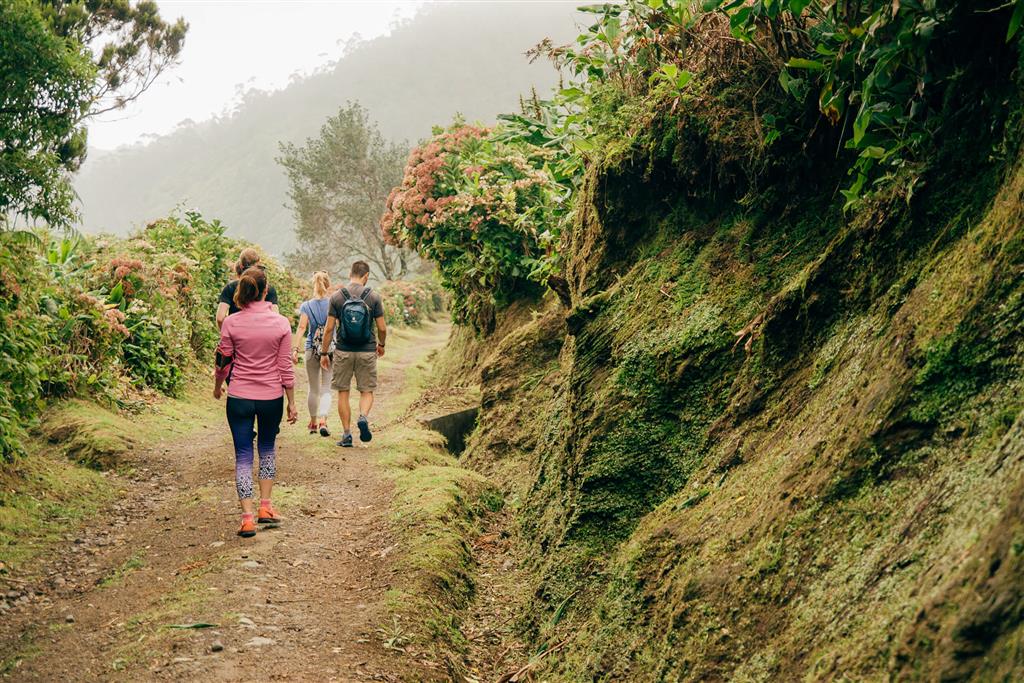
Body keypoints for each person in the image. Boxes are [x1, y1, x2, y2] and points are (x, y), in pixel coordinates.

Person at [214, 266, 298, 538]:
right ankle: (266, 507)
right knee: (267, 449)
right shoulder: (281, 323)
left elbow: (223, 361)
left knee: (243, 455)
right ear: (265, 291)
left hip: (239, 396)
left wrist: (217, 386)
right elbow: (285, 366)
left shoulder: (231, 322)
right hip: (271, 397)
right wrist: (291, 401)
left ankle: (247, 519)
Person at [319, 261, 386, 448]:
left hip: (343, 350)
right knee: (366, 390)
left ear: (350, 274)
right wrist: (381, 344)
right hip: (367, 351)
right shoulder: (373, 296)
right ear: (366, 276)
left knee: (343, 392)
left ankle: (347, 435)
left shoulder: (337, 297)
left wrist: (324, 352)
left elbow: (329, 329)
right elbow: (382, 327)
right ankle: (363, 417)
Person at [292, 271, 334, 437]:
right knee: (326, 387)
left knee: (313, 388)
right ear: (328, 285)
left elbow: (302, 328)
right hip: (329, 350)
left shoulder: (306, 306)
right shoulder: (333, 304)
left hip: (310, 349)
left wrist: (295, 349)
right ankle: (323, 420)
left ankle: (313, 422)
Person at [217, 247, 279, 329]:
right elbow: (276, 318)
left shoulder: (230, 287)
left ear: (241, 265)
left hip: (237, 332)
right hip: (261, 332)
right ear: (258, 264)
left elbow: (220, 318)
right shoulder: (267, 288)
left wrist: (228, 332)